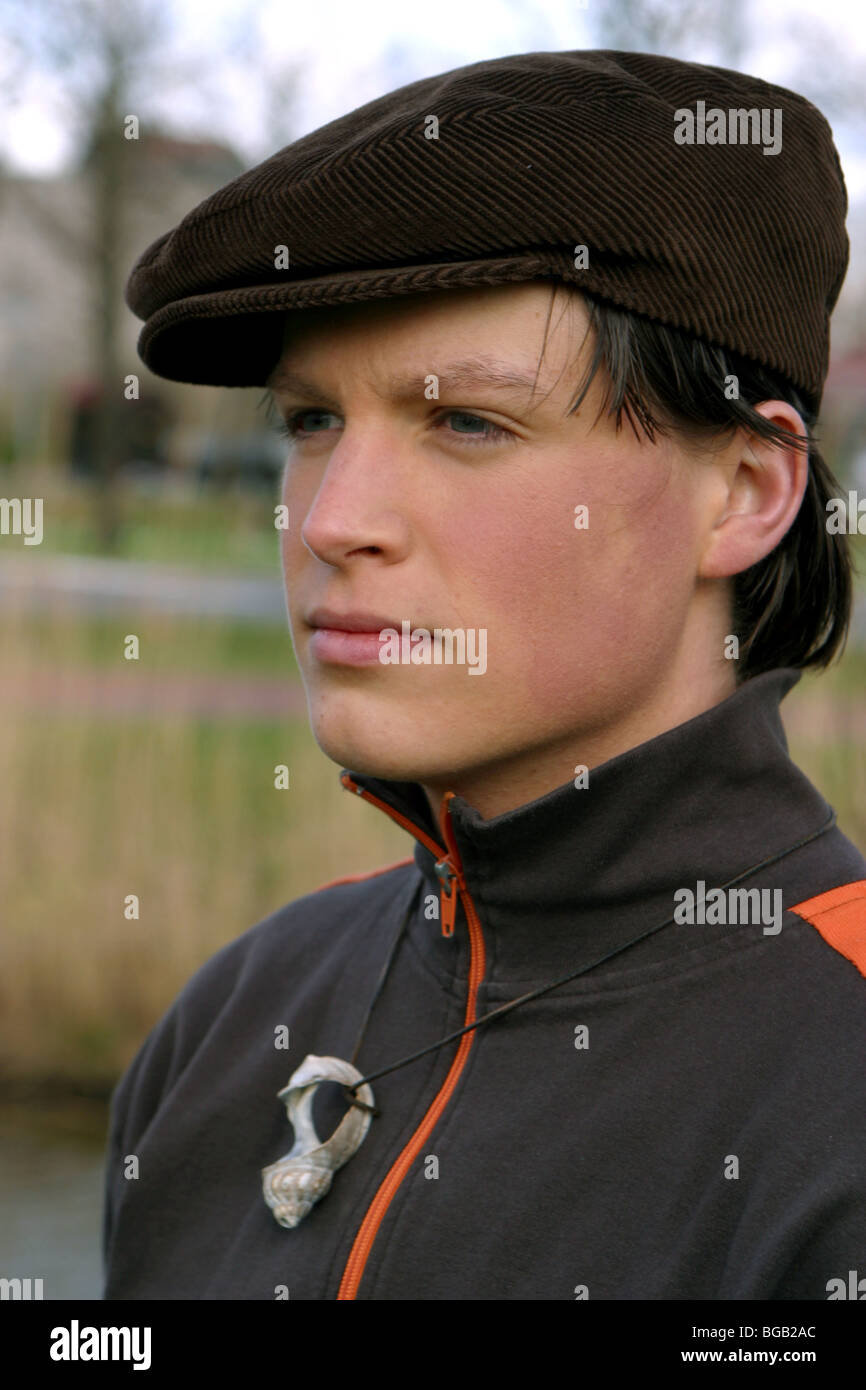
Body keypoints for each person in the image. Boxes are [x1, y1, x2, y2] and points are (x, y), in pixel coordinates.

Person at [102, 49, 866, 1300]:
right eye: (310, 421)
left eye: (466, 422)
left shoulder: (836, 1099)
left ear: (741, 493)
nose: (332, 519)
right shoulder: (236, 1015)